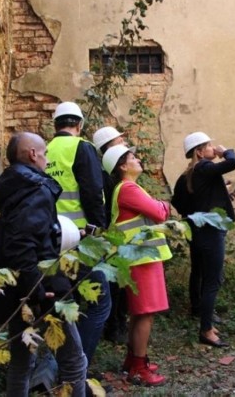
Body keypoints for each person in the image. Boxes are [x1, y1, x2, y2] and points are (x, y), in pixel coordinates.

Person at [0, 132, 87, 396]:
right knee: (74, 361)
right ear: (32, 154)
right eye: (44, 153)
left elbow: (25, 234)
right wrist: (38, 290)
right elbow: (22, 243)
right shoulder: (36, 188)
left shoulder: (11, 187)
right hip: (40, 287)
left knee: (22, 362)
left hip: (16, 287)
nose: (46, 158)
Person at [46, 102, 111, 367]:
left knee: (64, 303)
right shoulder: (81, 147)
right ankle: (75, 369)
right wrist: (98, 229)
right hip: (80, 237)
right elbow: (93, 191)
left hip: (49, 239)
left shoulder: (44, 149)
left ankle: (56, 365)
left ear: (56, 126)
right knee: (100, 303)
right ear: (80, 125)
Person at [103, 144, 171, 386]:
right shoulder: (129, 188)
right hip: (141, 259)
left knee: (140, 313)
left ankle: (133, 361)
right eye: (132, 157)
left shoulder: (127, 188)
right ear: (123, 166)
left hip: (139, 258)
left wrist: (158, 206)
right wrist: (163, 205)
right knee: (145, 314)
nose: (138, 159)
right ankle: (139, 369)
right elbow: (160, 212)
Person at [171, 131, 235, 348]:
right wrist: (225, 152)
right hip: (211, 232)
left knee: (199, 272)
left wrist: (219, 199)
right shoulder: (205, 167)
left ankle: (201, 314)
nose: (213, 148)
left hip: (197, 231)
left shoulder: (186, 176)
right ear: (200, 152)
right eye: (209, 145)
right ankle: (206, 330)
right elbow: (233, 162)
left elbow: (180, 203)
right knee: (213, 281)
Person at [92, 126, 129, 344]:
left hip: (117, 235)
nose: (123, 141)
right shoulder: (106, 175)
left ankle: (117, 324)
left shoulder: (112, 172)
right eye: (119, 139)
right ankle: (114, 327)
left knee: (119, 283)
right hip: (112, 236)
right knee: (115, 284)